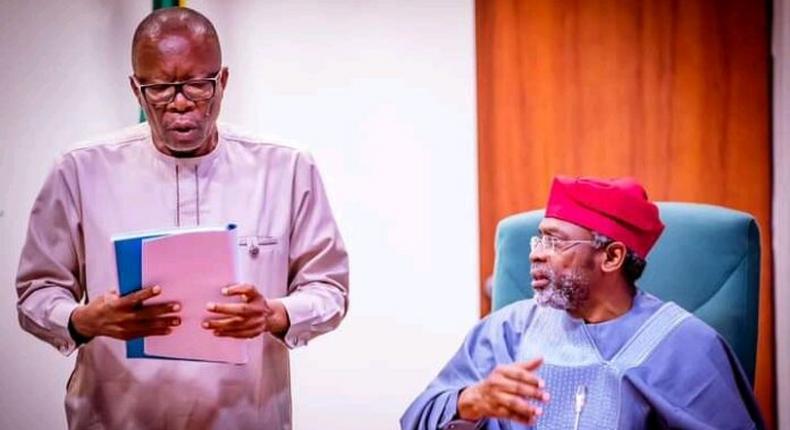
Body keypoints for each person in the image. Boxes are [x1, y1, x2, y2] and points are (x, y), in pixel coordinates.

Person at [15, 7, 348, 430]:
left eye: (197, 84)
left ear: (222, 82)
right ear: (136, 90)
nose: (180, 102)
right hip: (117, 417)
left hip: (245, 417)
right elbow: (36, 293)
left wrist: (276, 314)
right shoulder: (80, 169)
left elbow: (329, 289)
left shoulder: (285, 168)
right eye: (160, 88)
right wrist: (82, 320)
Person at [401, 176, 763, 429]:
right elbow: (416, 418)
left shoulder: (684, 346)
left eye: (555, 242)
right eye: (537, 241)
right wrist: (470, 401)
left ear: (611, 257)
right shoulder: (507, 331)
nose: (536, 256)